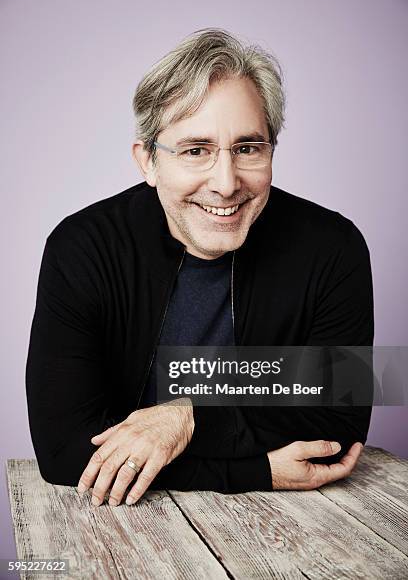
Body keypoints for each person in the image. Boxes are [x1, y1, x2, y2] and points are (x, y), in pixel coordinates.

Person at [26, 28, 373, 507]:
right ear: (147, 161)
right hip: (125, 526)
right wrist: (257, 469)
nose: (227, 183)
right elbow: (64, 450)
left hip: (300, 524)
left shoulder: (334, 247)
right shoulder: (81, 246)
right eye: (196, 151)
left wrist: (187, 417)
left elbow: (339, 424)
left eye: (248, 148)